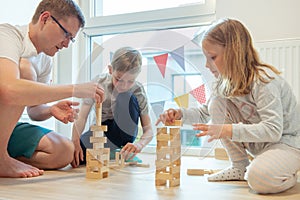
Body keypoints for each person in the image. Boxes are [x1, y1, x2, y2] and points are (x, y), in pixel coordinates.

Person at [156, 18, 300, 194]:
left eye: (212, 57)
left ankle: (290, 173)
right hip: (262, 148)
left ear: (233, 53)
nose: (207, 65)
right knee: (217, 103)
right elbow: (204, 113)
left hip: (287, 144)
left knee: (259, 180)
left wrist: (228, 130)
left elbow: (273, 130)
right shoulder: (223, 83)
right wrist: (180, 114)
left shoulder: (263, 82)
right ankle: (240, 166)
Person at [0, 0, 104, 178]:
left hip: (7, 128)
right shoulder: (7, 35)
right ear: (45, 18)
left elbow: (33, 111)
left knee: (64, 151)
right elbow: (8, 90)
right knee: (25, 69)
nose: (66, 44)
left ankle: (7, 158)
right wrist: (74, 89)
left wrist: (50, 109)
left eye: (71, 39)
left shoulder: (45, 60)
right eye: (66, 34)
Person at [71, 47, 153, 168]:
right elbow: (82, 117)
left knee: (125, 96)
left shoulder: (137, 90)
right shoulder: (99, 83)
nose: (124, 85)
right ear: (110, 70)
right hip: (100, 133)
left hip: (124, 133)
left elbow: (148, 129)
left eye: (130, 81)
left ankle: (119, 150)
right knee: (78, 157)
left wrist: (140, 145)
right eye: (118, 79)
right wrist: (75, 141)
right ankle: (112, 153)